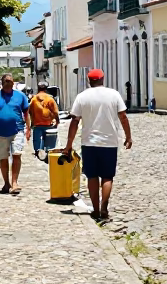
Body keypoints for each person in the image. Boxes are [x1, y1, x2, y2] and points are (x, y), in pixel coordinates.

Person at [62, 69, 132, 222]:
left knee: (92, 176)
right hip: (109, 142)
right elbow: (123, 116)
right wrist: (128, 136)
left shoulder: (82, 97)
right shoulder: (114, 94)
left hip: (89, 142)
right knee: (107, 177)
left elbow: (74, 121)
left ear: (89, 81)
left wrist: (68, 144)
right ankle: (104, 207)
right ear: (103, 79)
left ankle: (95, 209)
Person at [0, 72, 30, 195]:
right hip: (0, 132)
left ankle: (14, 182)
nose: (9, 83)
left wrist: (28, 128)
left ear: (13, 83)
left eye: (11, 81)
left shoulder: (21, 96)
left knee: (16, 155)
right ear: (2, 83)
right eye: (6, 81)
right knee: (3, 158)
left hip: (17, 130)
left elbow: (26, 113)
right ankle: (6, 183)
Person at [28, 80, 60, 152]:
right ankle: (48, 152)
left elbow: (30, 112)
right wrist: (57, 121)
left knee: (37, 142)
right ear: (46, 89)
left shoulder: (34, 99)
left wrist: (31, 123)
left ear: (38, 88)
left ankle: (38, 152)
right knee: (50, 143)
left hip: (37, 125)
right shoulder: (50, 99)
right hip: (48, 124)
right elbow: (55, 112)